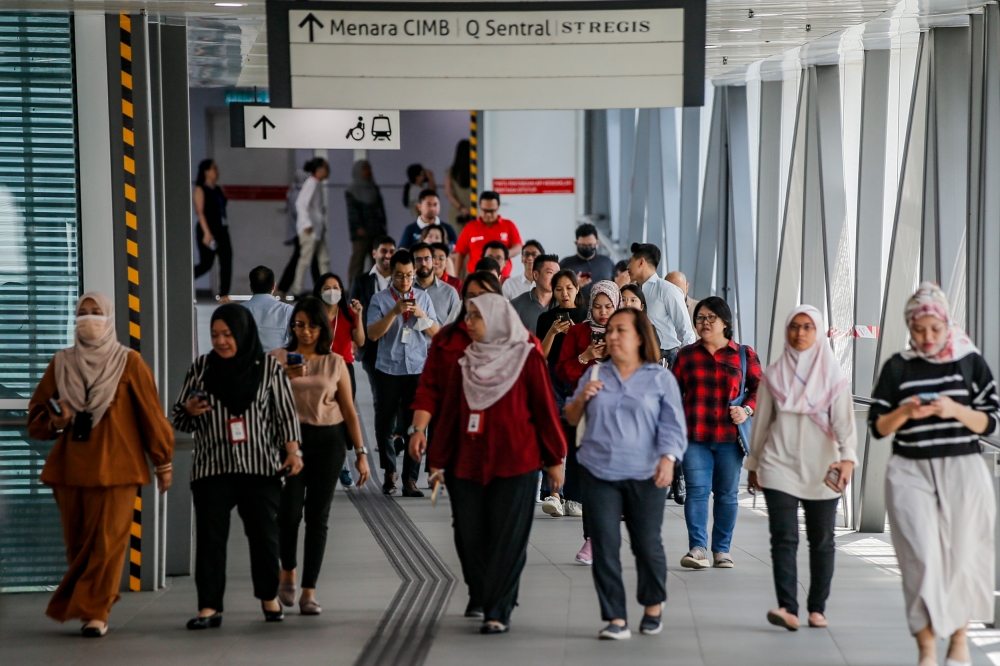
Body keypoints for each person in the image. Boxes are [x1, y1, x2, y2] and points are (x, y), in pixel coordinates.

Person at [28, 292, 174, 637]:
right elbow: (36, 419)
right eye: (83, 313)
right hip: (71, 469)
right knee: (78, 545)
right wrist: (57, 421)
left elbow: (151, 415)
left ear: (109, 319)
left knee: (108, 544)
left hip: (118, 469)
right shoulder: (61, 362)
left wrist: (163, 461)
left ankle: (96, 611)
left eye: (96, 313)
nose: (89, 319)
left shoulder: (129, 362)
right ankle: (87, 604)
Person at [869, 282, 999, 666]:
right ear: (909, 327)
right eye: (919, 330)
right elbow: (878, 426)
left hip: (963, 468)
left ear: (947, 326)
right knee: (920, 557)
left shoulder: (970, 362)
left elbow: (989, 422)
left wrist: (952, 410)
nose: (927, 338)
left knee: (962, 556)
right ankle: (926, 647)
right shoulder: (897, 366)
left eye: (934, 330)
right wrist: (906, 411)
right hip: (909, 469)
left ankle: (958, 638)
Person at [426, 293, 566, 634]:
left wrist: (555, 458)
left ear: (498, 320)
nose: (467, 323)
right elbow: (449, 415)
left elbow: (545, 410)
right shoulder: (466, 361)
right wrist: (436, 461)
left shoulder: (527, 359)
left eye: (476, 316)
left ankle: (498, 609)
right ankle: (483, 592)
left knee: (508, 537)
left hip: (516, 463)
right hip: (466, 464)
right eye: (467, 315)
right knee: (470, 536)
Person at [173, 304, 303, 629]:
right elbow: (180, 419)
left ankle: (268, 598)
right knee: (210, 540)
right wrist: (188, 409)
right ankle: (209, 607)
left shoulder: (269, 369)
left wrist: (293, 452)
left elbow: (285, 414)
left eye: (228, 335)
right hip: (211, 467)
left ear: (242, 333)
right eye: (215, 335)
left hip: (259, 467)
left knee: (264, 537)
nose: (221, 341)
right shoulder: (202, 367)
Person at [564, 308, 687, 640]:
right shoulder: (594, 375)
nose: (612, 336)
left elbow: (674, 425)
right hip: (597, 471)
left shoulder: (660, 378)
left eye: (621, 330)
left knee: (647, 544)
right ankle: (615, 617)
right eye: (610, 331)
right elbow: (571, 417)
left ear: (639, 337)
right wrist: (582, 401)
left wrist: (668, 459)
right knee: (604, 543)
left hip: (646, 473)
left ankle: (652, 606)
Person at [746, 304, 857, 632]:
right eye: (795, 326)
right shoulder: (773, 376)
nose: (800, 333)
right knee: (783, 537)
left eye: (808, 327)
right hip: (778, 465)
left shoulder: (834, 378)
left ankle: (817, 608)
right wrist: (754, 465)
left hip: (822, 468)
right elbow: (762, 424)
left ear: (819, 332)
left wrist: (848, 460)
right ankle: (788, 608)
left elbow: (845, 426)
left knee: (821, 539)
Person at [408, 271, 503, 617]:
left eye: (485, 295)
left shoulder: (517, 340)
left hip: (505, 450)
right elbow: (429, 388)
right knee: (467, 527)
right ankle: (478, 590)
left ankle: (497, 594)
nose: (476, 302)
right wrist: (418, 429)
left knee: (501, 527)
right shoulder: (448, 340)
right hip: (461, 447)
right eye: (471, 295)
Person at [271, 297, 371, 615]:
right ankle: (287, 570)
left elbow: (348, 410)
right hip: (288, 442)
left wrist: (361, 452)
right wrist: (286, 375)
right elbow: (262, 398)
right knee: (288, 513)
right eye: (299, 325)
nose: (306, 331)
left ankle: (309, 591)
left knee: (318, 517)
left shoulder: (335, 363)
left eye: (313, 325)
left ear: (323, 328)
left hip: (328, 441)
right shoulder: (276, 358)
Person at [672, 296, 761, 570]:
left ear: (725, 322)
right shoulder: (686, 355)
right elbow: (672, 394)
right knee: (697, 492)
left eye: (711, 317)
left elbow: (761, 389)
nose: (705, 323)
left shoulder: (744, 355)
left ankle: (722, 550)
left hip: (729, 439)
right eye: (700, 318)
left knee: (726, 495)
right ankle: (698, 548)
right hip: (694, 436)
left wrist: (746, 409)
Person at [367, 249, 439, 496]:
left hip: (416, 368)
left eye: (409, 275)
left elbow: (436, 334)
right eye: (399, 276)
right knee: (384, 425)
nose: (405, 281)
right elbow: (373, 334)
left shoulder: (423, 298)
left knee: (414, 426)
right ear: (391, 274)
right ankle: (389, 473)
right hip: (388, 368)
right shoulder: (380, 299)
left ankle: (410, 479)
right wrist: (395, 311)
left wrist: (422, 315)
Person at [554, 280, 621, 524]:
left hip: (615, 404)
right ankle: (574, 498)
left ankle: (611, 500)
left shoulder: (623, 332)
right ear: (589, 307)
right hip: (583, 404)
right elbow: (562, 371)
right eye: (597, 307)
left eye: (608, 307)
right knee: (579, 451)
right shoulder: (578, 332)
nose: (603, 313)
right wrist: (585, 357)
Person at [535, 270, 588, 535]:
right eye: (559, 289)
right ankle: (553, 494)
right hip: (554, 377)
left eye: (569, 288)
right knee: (554, 435)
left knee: (578, 438)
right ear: (553, 292)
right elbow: (541, 355)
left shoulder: (587, 318)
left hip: (579, 376)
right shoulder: (546, 318)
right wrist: (553, 332)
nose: (564, 293)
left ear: (577, 290)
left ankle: (575, 497)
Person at [349, 236, 396, 416]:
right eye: (384, 251)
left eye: (392, 251)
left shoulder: (403, 280)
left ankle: (394, 435)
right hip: (370, 345)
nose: (388, 255)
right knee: (379, 392)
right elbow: (351, 311)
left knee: (395, 393)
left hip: (396, 343)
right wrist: (353, 339)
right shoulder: (361, 281)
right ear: (374, 253)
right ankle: (383, 439)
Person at [628, 243, 695, 367]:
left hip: (666, 358)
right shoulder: (632, 292)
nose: (628, 266)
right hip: (638, 356)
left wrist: (687, 363)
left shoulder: (667, 290)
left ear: (641, 262)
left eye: (631, 261)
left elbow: (686, 330)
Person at [453, 191, 523, 280]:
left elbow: (518, 247)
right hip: (476, 277)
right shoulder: (470, 227)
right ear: (480, 208)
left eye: (492, 211)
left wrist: (503, 254)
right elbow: (460, 253)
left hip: (502, 279)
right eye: (485, 211)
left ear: (498, 208)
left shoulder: (508, 225)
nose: (489, 214)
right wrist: (455, 278)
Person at [290, 157, 331, 297]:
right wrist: (306, 223)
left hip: (317, 229)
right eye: (326, 167)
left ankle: (327, 288)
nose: (329, 171)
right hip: (310, 229)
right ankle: (297, 289)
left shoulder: (316, 183)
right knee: (305, 259)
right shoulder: (312, 183)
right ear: (319, 169)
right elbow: (300, 204)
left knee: (323, 259)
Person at [192, 158, 233, 301]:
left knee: (226, 259)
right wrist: (207, 233)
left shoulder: (218, 189)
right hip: (207, 229)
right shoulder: (200, 189)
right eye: (214, 168)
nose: (217, 172)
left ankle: (224, 294)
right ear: (206, 171)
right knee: (206, 264)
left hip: (221, 228)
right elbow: (200, 212)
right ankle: (185, 279)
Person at [278, 166, 320, 298]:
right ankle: (291, 288)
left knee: (308, 259)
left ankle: (284, 288)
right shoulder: (299, 193)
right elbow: (301, 211)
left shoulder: (294, 191)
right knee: (304, 260)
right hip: (302, 231)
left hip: (299, 231)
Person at [346, 160, 388, 281]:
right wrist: (358, 227)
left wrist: (383, 227)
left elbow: (381, 210)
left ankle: (379, 289)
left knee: (379, 262)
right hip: (361, 234)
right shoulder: (352, 190)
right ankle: (353, 291)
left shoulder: (374, 188)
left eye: (369, 168)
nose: (368, 171)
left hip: (377, 231)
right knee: (357, 263)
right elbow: (352, 212)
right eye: (364, 169)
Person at [243, 265, 294, 352]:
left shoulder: (238, 310)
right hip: (277, 363)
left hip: (246, 364)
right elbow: (294, 344)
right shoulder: (287, 310)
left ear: (251, 287)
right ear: (274, 286)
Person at [509, 253, 560, 334]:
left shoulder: (564, 304)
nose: (555, 278)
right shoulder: (515, 305)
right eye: (550, 272)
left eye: (557, 274)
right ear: (536, 275)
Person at [559, 223, 615, 296]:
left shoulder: (607, 263)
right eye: (583, 245)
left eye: (590, 245)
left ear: (597, 243)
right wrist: (574, 286)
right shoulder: (566, 264)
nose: (587, 248)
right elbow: (557, 292)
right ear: (576, 244)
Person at [412, 242, 460, 326]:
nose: (423, 263)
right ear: (412, 263)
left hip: (439, 338)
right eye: (418, 260)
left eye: (427, 259)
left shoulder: (450, 292)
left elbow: (456, 326)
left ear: (433, 261)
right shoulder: (406, 289)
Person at [445, 139, 472, 234]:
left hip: (457, 211)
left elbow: (448, 193)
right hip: (474, 210)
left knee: (458, 242)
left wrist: (461, 208)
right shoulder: (476, 170)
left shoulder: (451, 171)